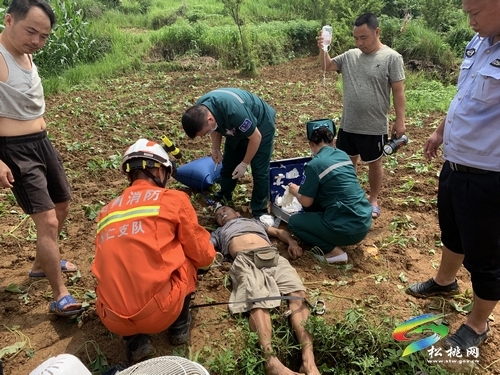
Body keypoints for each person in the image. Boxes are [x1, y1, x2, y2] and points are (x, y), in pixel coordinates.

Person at [406, 0, 500, 351]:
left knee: (485, 254)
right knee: (453, 231)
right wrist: (440, 131)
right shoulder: (478, 42)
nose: (470, 20)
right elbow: (464, 96)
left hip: (489, 175)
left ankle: (477, 324)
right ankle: (444, 281)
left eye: (476, 12)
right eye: (466, 13)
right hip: (456, 164)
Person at [92, 139, 216, 363]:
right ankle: (179, 325)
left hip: (111, 317)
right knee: (189, 255)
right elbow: (202, 253)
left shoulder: (105, 211)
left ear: (129, 174)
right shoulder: (172, 199)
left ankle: (136, 341)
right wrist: (206, 260)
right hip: (160, 313)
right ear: (160, 170)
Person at [0, 0, 83, 316]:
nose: (36, 40)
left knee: (62, 205)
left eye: (44, 36)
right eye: (30, 31)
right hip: (14, 148)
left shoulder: (26, 53)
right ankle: (60, 294)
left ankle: (40, 263)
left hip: (41, 142)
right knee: (47, 220)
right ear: (9, 20)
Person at [210, 205, 320, 375]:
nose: (221, 213)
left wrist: (291, 242)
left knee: (298, 293)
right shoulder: (218, 232)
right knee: (257, 299)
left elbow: (278, 233)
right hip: (245, 259)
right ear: (217, 222)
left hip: (272, 255)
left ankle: (308, 361)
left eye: (224, 209)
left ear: (238, 213)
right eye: (218, 215)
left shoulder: (254, 222)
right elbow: (205, 247)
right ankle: (271, 362)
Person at [318, 13, 406, 219]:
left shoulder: (391, 57)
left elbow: (398, 92)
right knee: (348, 162)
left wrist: (400, 120)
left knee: (374, 163)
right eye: (356, 38)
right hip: (348, 123)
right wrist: (323, 48)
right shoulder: (350, 56)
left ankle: (373, 200)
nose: (359, 42)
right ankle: (350, 196)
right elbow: (326, 66)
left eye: (364, 37)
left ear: (377, 32)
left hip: (374, 125)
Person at [181, 88, 276, 218]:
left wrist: (244, 163)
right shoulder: (201, 109)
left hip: (261, 126)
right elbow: (215, 128)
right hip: (233, 127)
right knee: (229, 163)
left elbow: (255, 137)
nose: (206, 135)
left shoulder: (234, 112)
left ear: (210, 119)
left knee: (259, 170)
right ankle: (224, 196)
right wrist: (215, 149)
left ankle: (260, 211)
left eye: (205, 133)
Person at [287, 122, 372, 264]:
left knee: (294, 223)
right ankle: (332, 232)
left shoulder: (315, 165)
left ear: (311, 145)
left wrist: (296, 192)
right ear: (333, 141)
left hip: (347, 228)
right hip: (363, 220)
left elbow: (306, 201)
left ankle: (334, 252)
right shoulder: (343, 155)